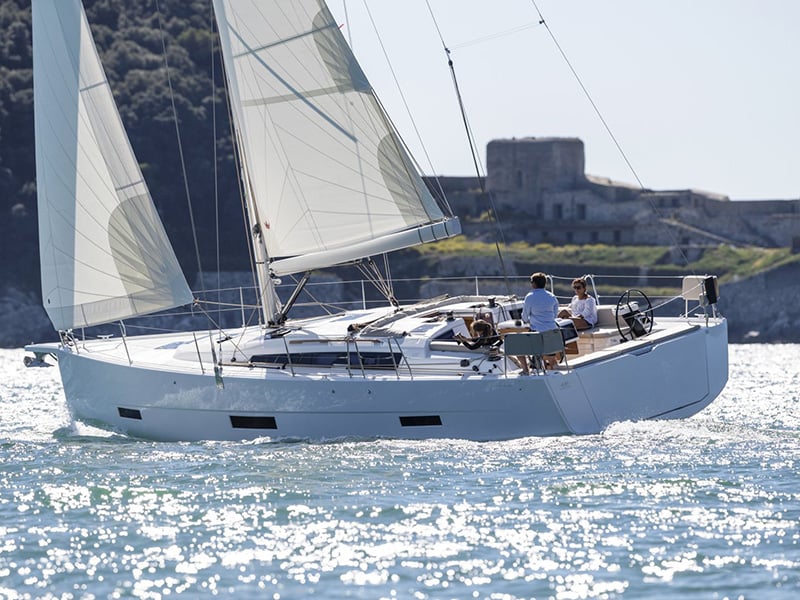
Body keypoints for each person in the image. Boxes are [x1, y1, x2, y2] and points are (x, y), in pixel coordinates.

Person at [521, 272, 560, 369]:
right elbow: (554, 315)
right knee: (552, 358)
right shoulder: (551, 296)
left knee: (532, 355)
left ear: (534, 283)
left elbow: (525, 317)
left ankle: (531, 371)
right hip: (552, 331)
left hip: (537, 332)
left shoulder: (530, 297)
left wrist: (528, 320)